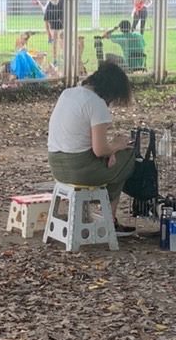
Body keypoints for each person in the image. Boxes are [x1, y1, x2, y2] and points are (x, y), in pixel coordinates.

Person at [46, 62, 137, 237]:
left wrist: (110, 151)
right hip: (80, 170)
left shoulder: (68, 93)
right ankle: (109, 219)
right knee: (127, 159)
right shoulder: (97, 104)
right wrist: (117, 146)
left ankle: (98, 211)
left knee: (115, 160)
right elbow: (100, 150)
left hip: (57, 166)